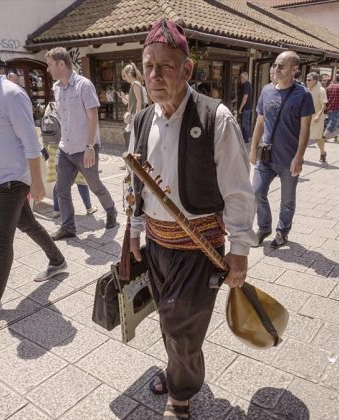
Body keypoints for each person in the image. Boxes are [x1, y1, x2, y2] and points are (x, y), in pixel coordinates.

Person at [127, 19, 255, 418]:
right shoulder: (142, 120)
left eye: (165, 66)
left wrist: (239, 251)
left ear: (187, 70)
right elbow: (135, 184)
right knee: (168, 316)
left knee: (183, 325)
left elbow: (237, 190)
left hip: (199, 248)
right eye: (149, 66)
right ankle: (177, 368)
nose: (155, 75)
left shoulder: (215, 118)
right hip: (156, 243)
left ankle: (180, 394)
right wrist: (132, 233)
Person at [0, 35, 68, 326]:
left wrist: (37, 182)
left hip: (13, 180)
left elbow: (31, 141)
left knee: (0, 237)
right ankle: (57, 261)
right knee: (27, 223)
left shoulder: (11, 94)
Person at [45, 47, 118, 241]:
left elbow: (93, 117)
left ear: (62, 64)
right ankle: (68, 227)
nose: (48, 69)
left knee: (95, 186)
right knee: (61, 189)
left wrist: (89, 147)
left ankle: (111, 210)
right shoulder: (56, 88)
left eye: (50, 65)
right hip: (65, 148)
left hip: (85, 148)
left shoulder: (83, 85)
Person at [251, 50, 314, 248]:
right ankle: (264, 227)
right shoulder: (266, 90)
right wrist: (253, 148)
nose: (276, 69)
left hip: (289, 158)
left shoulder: (303, 95)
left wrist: (299, 157)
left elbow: (305, 129)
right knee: (256, 192)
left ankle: (282, 231)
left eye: (281, 66)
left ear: (294, 70)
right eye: (275, 65)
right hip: (266, 156)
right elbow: (259, 122)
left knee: (287, 200)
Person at [40, 102, 98, 218]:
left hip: (53, 148)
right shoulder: (70, 105)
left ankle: (57, 210)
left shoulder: (50, 105)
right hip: (70, 147)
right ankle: (89, 207)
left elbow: (45, 129)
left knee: (59, 181)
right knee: (81, 179)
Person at [118, 63, 146, 148]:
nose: (125, 79)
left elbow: (139, 101)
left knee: (132, 141)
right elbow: (132, 102)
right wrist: (123, 98)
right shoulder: (135, 84)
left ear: (129, 74)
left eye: (125, 76)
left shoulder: (135, 84)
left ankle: (132, 159)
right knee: (131, 140)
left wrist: (137, 117)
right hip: (134, 115)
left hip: (135, 115)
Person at [306, 72, 328, 163]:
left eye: (309, 80)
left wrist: (318, 115)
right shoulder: (307, 89)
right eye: (307, 79)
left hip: (317, 118)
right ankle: (300, 156)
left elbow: (324, 104)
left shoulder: (321, 90)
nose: (307, 81)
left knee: (318, 137)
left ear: (315, 80)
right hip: (306, 117)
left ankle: (323, 152)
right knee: (304, 136)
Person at [237, 72, 252, 144]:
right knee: (244, 123)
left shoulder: (246, 85)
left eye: (241, 77)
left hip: (246, 108)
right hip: (246, 108)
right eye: (240, 77)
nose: (240, 79)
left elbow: (245, 97)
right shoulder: (244, 85)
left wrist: (240, 108)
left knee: (245, 123)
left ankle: (246, 138)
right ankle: (245, 137)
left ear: (245, 78)